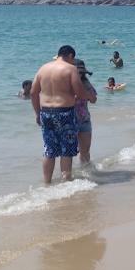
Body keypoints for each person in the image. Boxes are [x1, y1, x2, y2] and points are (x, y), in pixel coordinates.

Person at [30, 45, 90, 184]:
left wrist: (37, 113)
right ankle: (66, 182)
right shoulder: (70, 69)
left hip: (46, 113)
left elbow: (33, 92)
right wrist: (89, 95)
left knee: (49, 150)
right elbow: (80, 93)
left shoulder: (43, 68)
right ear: (70, 56)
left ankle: (47, 183)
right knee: (66, 150)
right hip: (65, 113)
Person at [74, 60, 99, 165]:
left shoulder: (86, 83)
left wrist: (84, 92)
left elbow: (93, 100)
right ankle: (68, 176)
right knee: (69, 152)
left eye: (81, 72)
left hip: (84, 120)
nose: (79, 74)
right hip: (68, 121)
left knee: (85, 151)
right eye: (77, 72)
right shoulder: (64, 84)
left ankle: (87, 173)